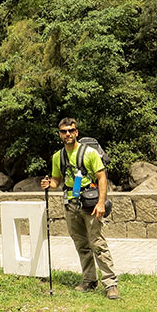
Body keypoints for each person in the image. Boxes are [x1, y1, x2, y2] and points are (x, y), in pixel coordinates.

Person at [41, 117, 120, 300]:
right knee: (82, 245)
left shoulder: (89, 153)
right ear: (59, 134)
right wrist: (48, 184)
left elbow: (102, 178)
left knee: (98, 244)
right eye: (64, 131)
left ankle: (110, 284)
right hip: (71, 205)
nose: (67, 134)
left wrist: (101, 203)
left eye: (71, 130)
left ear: (76, 132)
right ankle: (89, 280)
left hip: (91, 204)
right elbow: (56, 180)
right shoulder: (57, 156)